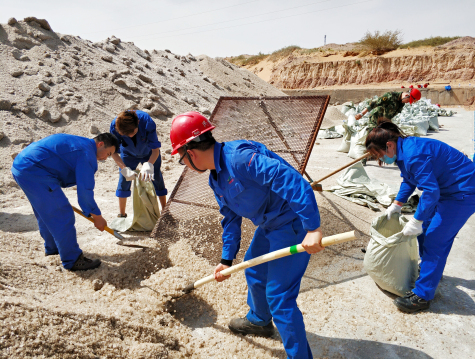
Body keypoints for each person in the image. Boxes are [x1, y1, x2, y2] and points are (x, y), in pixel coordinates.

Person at [170, 112, 324, 359]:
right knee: (254, 270)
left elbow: (293, 181)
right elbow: (230, 219)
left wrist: (313, 228)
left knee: (280, 299)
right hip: (268, 226)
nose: (185, 165)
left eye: (181, 159)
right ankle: (260, 321)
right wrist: (226, 260)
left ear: (191, 152)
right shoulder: (216, 178)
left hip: (291, 224)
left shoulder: (240, 159)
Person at [365, 118, 475, 313]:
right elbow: (409, 179)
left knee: (435, 239)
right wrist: (396, 204)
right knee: (425, 232)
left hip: (463, 192)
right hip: (447, 189)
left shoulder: (414, 154)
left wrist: (416, 219)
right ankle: (430, 273)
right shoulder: (403, 151)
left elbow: (431, 192)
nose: (380, 160)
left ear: (389, 145)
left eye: (379, 154)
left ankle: (422, 296)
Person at [11, 133, 120, 271]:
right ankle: (73, 260)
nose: (105, 158)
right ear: (100, 144)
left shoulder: (81, 143)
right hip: (35, 171)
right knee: (62, 214)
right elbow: (85, 192)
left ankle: (53, 248)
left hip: (22, 166)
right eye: (108, 154)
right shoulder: (87, 154)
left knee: (46, 211)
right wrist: (97, 216)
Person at [110, 110, 167, 216]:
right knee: (124, 180)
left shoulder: (147, 122)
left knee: (157, 177)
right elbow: (113, 151)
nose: (130, 136)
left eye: (133, 133)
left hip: (149, 152)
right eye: (126, 135)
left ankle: (165, 210)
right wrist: (124, 168)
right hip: (128, 154)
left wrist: (149, 164)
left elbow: (155, 150)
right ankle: (122, 214)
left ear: (138, 123)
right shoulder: (115, 126)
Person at [355, 88, 422, 129]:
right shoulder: (391, 96)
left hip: (384, 121)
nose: (407, 102)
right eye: (408, 100)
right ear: (406, 95)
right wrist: (361, 113)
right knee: (373, 137)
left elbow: (390, 115)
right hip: (375, 119)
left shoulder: (402, 103)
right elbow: (374, 103)